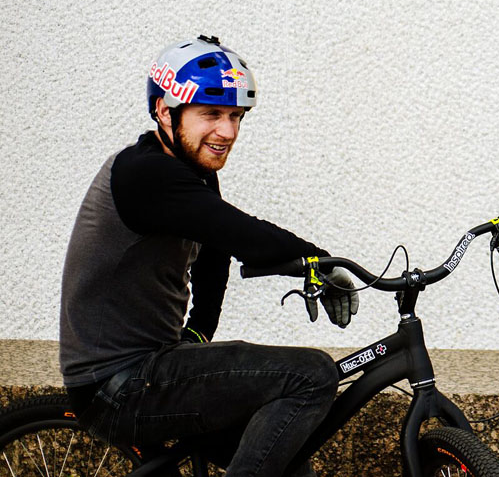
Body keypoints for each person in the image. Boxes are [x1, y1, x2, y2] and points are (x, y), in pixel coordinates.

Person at [60, 35, 359, 476]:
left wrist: (199, 332)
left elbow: (216, 253)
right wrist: (322, 262)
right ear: (165, 111)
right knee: (311, 374)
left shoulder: (191, 173)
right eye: (212, 114)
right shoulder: (143, 173)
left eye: (237, 116)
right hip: (117, 386)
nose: (228, 132)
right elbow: (239, 232)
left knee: (289, 465)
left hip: (155, 367)